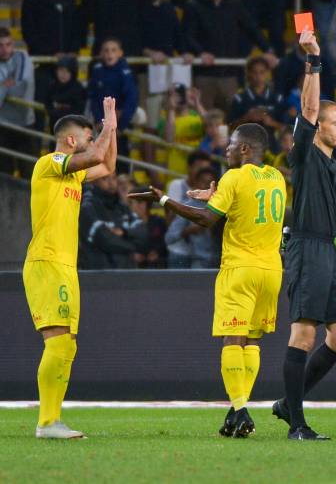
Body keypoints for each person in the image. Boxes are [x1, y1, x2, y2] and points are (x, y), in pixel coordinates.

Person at [130, 122, 287, 438]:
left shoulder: (235, 176)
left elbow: (206, 219)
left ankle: (240, 410)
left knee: (233, 339)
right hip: (271, 270)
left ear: (244, 149)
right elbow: (245, 205)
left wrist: (163, 201)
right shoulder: (276, 177)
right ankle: (236, 411)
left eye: (231, 144)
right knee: (252, 341)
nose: (226, 149)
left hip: (240, 268)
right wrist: (216, 195)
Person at [272, 29, 336, 441]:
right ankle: (297, 424)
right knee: (304, 335)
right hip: (307, 250)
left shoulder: (330, 164)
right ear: (318, 126)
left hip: (327, 247)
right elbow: (309, 108)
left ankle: (285, 404)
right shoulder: (307, 152)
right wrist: (314, 61)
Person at [23, 98, 117, 439]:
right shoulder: (49, 163)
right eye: (89, 137)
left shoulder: (72, 177)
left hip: (64, 266)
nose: (94, 143)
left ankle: (53, 419)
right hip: (46, 262)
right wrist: (106, 125)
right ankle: (47, 423)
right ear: (72, 142)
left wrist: (113, 128)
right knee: (59, 344)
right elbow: (95, 156)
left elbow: (106, 166)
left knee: (67, 345)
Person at [183, 0, 278, 112]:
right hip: (204, 75)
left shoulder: (234, 5)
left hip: (229, 75)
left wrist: (268, 50)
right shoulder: (193, 7)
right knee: (204, 120)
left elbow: (252, 29)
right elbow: (187, 35)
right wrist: (200, 53)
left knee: (233, 121)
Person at [21, 0, 84, 102]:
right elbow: (29, 33)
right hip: (43, 66)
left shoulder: (72, 1)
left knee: (66, 116)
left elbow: (79, 30)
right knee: (42, 112)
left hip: (68, 67)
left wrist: (74, 51)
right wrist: (51, 54)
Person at [79, 172, 148, 269]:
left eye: (114, 178)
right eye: (105, 179)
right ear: (94, 181)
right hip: (97, 276)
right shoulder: (88, 208)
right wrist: (132, 248)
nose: (111, 183)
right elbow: (106, 241)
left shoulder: (123, 208)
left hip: (127, 276)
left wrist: (124, 232)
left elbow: (143, 235)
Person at [163, 166, 221, 269]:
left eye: (210, 184)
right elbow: (169, 238)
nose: (206, 187)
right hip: (199, 261)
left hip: (224, 260)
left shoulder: (223, 206)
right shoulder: (187, 207)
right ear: (195, 184)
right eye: (203, 182)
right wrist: (189, 231)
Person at [0, 27, 36, 176]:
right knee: (4, 174)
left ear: (13, 44)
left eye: (8, 44)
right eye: (0, 45)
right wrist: (6, 85)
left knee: (29, 174)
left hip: (25, 124)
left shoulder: (22, 58)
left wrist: (2, 88)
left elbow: (20, 89)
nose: (4, 49)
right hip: (3, 126)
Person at [228, 56, 290, 140]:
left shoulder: (276, 98)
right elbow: (230, 127)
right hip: (247, 143)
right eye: (254, 72)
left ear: (268, 73)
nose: (258, 76)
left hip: (271, 144)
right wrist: (247, 118)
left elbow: (286, 127)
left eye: (262, 72)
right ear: (249, 73)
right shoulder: (240, 98)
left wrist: (271, 122)